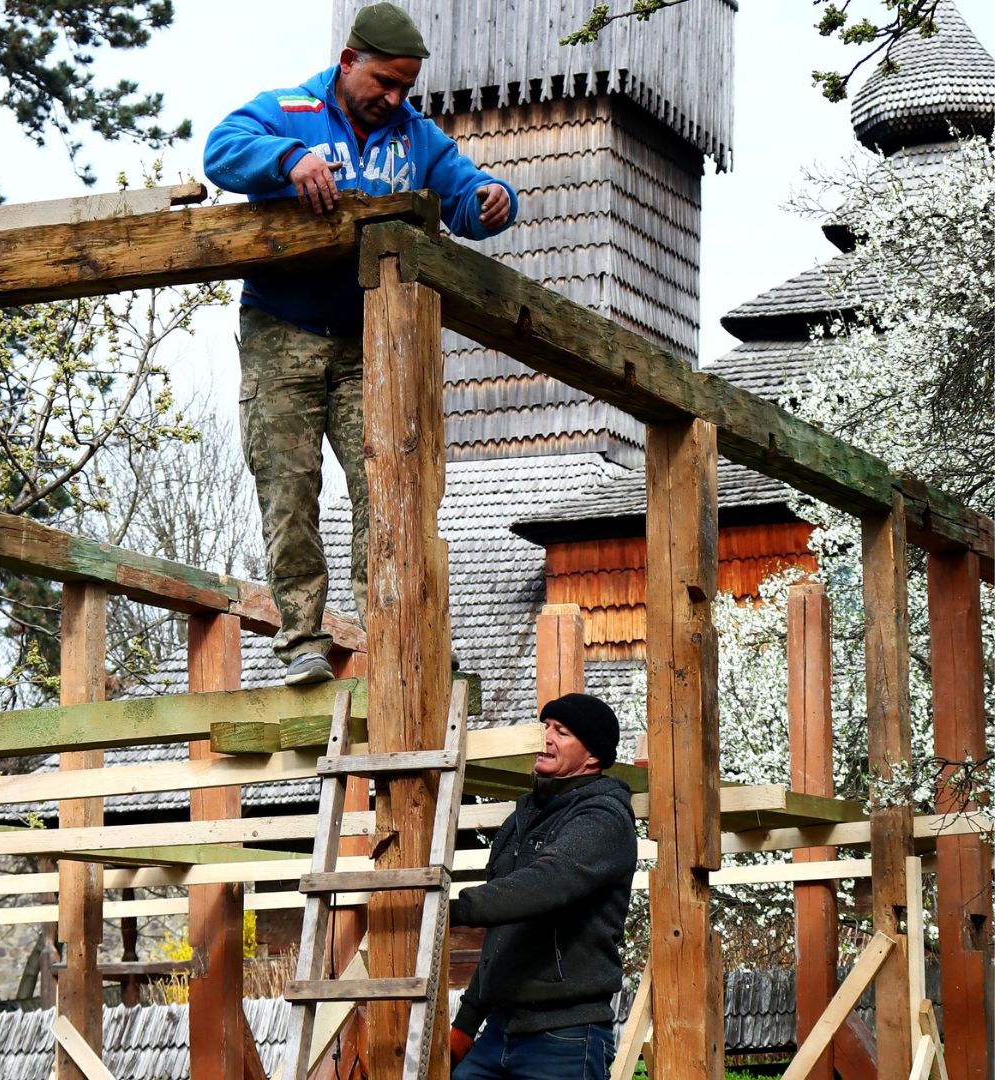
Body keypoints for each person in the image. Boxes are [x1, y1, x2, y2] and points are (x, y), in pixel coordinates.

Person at [202, 2, 517, 685]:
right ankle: (302, 640)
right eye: (385, 83)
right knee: (288, 487)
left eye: (406, 87)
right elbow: (220, 149)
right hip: (281, 330)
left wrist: (494, 197)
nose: (394, 98)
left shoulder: (416, 137)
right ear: (350, 63)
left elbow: (464, 195)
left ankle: (401, 637)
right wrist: (286, 159)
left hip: (369, 341)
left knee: (389, 490)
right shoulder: (289, 110)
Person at [447, 693, 637, 1079]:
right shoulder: (524, 817)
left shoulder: (603, 817)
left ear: (593, 756)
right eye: (544, 727)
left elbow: (542, 885)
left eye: (561, 732)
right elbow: (504, 932)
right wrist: (468, 1022)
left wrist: (448, 908)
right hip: (499, 1031)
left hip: (563, 1037)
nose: (545, 737)